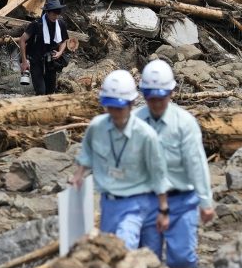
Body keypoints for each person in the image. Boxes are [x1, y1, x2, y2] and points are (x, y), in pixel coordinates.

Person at [69, 69, 170, 251]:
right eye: (111, 107)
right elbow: (87, 153)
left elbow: (158, 172)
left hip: (138, 200)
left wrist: (163, 209)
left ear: (131, 104)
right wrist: (78, 175)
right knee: (108, 249)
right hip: (108, 202)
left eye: (120, 107)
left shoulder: (145, 135)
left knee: (125, 246)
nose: (115, 112)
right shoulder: (97, 127)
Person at [135, 60, 214, 268]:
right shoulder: (135, 122)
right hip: (148, 200)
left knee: (182, 260)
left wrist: (205, 201)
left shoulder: (184, 123)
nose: (155, 102)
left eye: (160, 97)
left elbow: (196, 163)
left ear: (171, 93)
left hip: (182, 200)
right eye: (150, 97)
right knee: (147, 260)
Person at [16, 0, 69, 96]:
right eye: (53, 14)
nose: (56, 17)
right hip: (35, 60)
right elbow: (22, 40)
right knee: (41, 91)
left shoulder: (60, 24)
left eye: (58, 14)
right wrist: (24, 61)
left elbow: (64, 41)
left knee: (50, 91)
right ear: (47, 12)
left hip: (51, 61)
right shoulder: (36, 24)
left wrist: (60, 52)